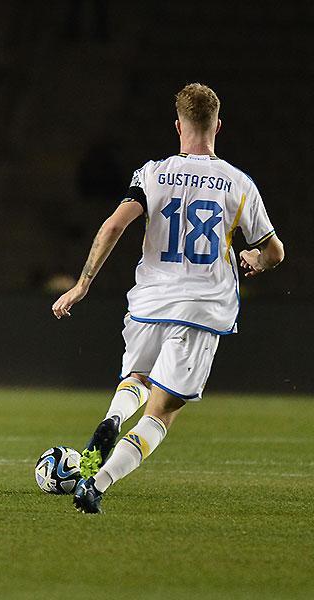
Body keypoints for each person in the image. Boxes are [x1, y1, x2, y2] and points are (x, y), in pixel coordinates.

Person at [52, 83, 284, 513]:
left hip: (149, 302)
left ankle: (113, 417)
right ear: (218, 126)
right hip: (201, 308)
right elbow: (274, 251)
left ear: (178, 126)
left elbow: (112, 226)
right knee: (161, 413)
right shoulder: (238, 183)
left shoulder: (152, 174)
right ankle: (97, 484)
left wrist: (82, 284)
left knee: (137, 379)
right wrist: (254, 258)